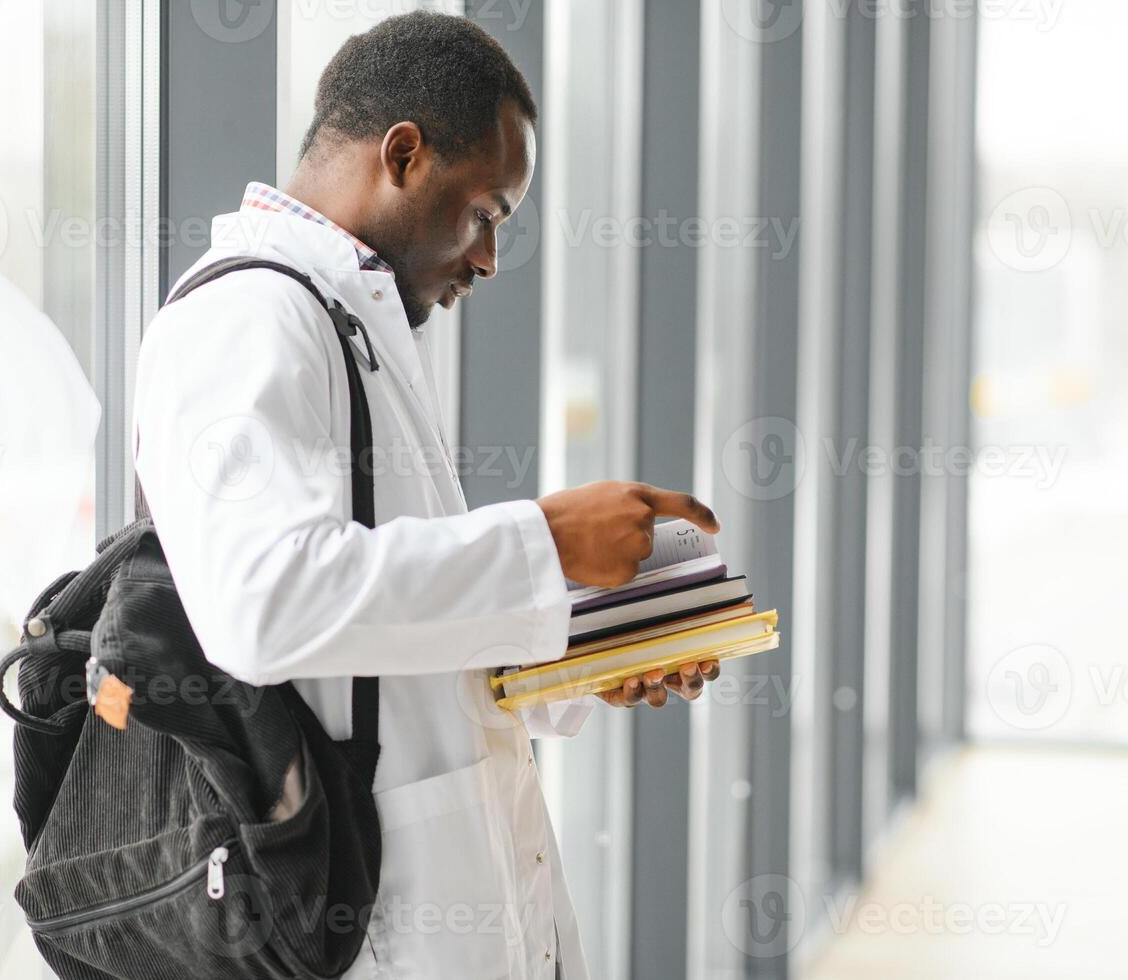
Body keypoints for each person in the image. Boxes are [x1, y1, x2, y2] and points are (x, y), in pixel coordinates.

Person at [133, 12, 721, 978]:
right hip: (368, 919)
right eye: (486, 211)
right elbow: (264, 605)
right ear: (402, 153)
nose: (488, 258)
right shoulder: (249, 314)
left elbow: (375, 645)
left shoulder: (343, 316)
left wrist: (569, 652)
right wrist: (547, 541)